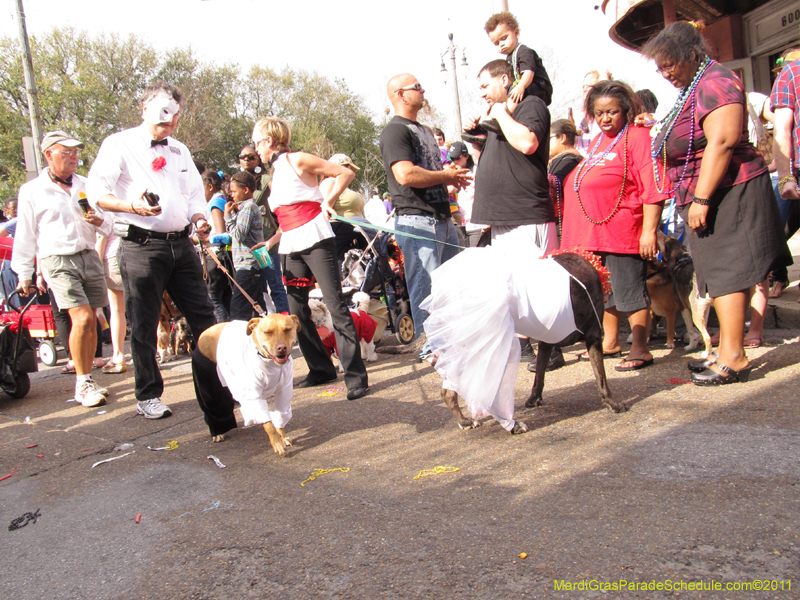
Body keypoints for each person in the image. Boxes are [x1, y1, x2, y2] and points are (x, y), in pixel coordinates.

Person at [643, 22, 790, 385]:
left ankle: (734, 357)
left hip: (727, 190)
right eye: (660, 68)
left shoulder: (716, 81)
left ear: (691, 54)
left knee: (727, 273)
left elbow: (722, 141)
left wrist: (701, 197)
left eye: (669, 64)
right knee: (718, 275)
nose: (666, 73)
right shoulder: (696, 85)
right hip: (708, 193)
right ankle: (725, 350)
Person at [87, 81, 217, 418]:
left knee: (204, 317)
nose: (168, 121)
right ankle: (148, 394)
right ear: (144, 109)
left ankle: (218, 388)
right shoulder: (119, 144)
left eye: (174, 114)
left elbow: (193, 196)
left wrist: (200, 219)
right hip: (140, 245)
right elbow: (96, 191)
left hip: (182, 245)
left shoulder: (180, 150)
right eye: (162, 112)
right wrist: (131, 206)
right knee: (143, 323)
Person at [252, 116, 369, 400]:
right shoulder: (273, 176)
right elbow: (287, 217)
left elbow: (344, 173)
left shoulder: (298, 159)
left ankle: (356, 376)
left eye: (257, 143)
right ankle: (320, 368)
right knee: (296, 309)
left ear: (269, 140)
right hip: (290, 244)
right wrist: (271, 241)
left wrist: (328, 201)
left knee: (335, 304)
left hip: (317, 239)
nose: (256, 149)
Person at [561, 81, 665, 372]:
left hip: (622, 231)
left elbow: (652, 187)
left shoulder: (638, 137)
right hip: (594, 235)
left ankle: (640, 348)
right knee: (606, 293)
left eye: (612, 112)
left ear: (626, 110)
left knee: (629, 291)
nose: (605, 118)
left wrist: (649, 231)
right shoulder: (597, 141)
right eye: (599, 113)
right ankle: (609, 342)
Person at [466, 59, 563, 369]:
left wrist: (499, 113)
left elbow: (527, 142)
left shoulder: (531, 104)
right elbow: (495, 159)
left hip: (526, 215)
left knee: (536, 287)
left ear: (505, 80)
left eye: (485, 85)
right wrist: (475, 133)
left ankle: (551, 348)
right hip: (504, 218)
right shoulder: (502, 114)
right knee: (512, 288)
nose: (481, 93)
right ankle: (525, 346)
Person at [12, 131, 112, 407]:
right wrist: (24, 273)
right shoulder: (32, 190)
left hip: (88, 255)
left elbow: (108, 223)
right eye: (66, 152)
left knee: (92, 320)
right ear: (49, 155)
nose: (73, 157)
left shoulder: (86, 185)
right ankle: (82, 384)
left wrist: (99, 221)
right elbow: (25, 235)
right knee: (81, 318)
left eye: (75, 152)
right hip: (57, 259)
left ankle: (87, 377)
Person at [379, 73, 471, 359]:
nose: (423, 90)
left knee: (450, 288)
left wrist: (449, 179)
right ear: (400, 94)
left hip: (441, 219)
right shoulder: (395, 131)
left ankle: (449, 345)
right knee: (426, 289)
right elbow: (405, 174)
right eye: (417, 87)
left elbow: (429, 173)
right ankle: (430, 349)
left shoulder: (425, 130)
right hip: (417, 221)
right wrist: (445, 175)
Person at [771, 49, 800, 300]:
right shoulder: (790, 74)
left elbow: (782, 129)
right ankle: (779, 275)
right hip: (793, 171)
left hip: (791, 171)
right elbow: (781, 129)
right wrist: (785, 175)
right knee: (776, 226)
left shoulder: (790, 74)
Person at [484, 11, 552, 106]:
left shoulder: (524, 51)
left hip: (539, 86)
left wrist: (521, 86)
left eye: (504, 38)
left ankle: (508, 109)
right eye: (497, 43)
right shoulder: (509, 58)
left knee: (513, 94)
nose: (501, 44)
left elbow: (529, 72)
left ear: (516, 33)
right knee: (508, 92)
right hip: (525, 86)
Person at [225, 170, 264, 320]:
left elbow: (238, 234)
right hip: (252, 263)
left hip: (248, 264)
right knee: (256, 304)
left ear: (245, 190)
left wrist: (227, 216)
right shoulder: (247, 207)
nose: (232, 195)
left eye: (234, 191)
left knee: (238, 307)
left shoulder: (248, 207)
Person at [202, 170, 233, 322]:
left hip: (216, 256)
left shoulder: (215, 203)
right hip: (223, 256)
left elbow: (221, 233)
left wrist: (200, 239)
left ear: (209, 187)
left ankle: (221, 329)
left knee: (213, 297)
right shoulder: (222, 200)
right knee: (226, 298)